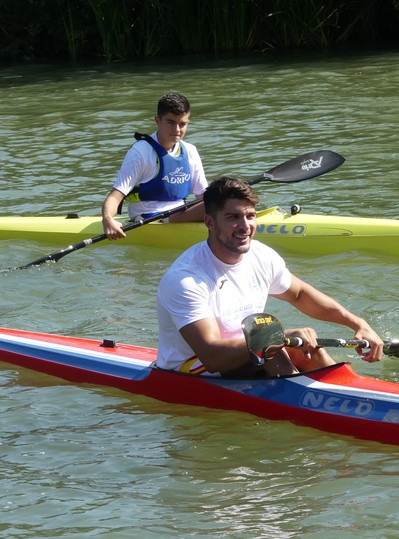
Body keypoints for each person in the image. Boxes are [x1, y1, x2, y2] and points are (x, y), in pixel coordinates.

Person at [156, 176, 384, 378]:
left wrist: (358, 324)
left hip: (248, 352)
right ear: (210, 222)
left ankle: (346, 390)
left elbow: (300, 294)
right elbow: (212, 355)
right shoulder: (186, 280)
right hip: (192, 367)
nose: (245, 226)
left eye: (250, 216)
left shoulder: (260, 255)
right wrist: (279, 338)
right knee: (274, 350)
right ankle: (313, 403)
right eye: (233, 217)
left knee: (307, 348)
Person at [101, 92, 208, 240]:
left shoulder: (190, 150)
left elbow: (203, 196)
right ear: (157, 120)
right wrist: (107, 219)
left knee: (222, 199)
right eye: (171, 122)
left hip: (180, 212)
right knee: (218, 205)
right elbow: (115, 195)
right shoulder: (140, 152)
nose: (177, 130)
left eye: (182, 124)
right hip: (149, 218)